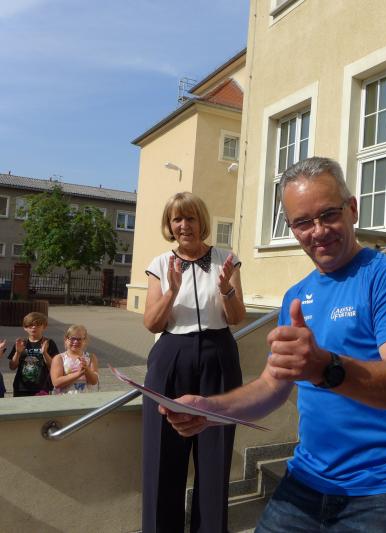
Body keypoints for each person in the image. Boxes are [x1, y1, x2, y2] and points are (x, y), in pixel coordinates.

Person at [161, 157, 386, 533]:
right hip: (307, 479)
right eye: (303, 222)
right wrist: (210, 409)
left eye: (329, 215)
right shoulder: (297, 296)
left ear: (352, 210)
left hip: (384, 488)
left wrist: (326, 367)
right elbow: (272, 387)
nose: (318, 231)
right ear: (291, 227)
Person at [141, 191, 246, 533]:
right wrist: (171, 290)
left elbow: (236, 318)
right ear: (169, 225)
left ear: (202, 221)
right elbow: (152, 323)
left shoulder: (226, 259)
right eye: (177, 219)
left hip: (219, 355)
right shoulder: (160, 263)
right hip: (172, 355)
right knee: (163, 454)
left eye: (190, 218)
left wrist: (226, 289)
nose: (184, 225)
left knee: (215, 453)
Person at [7, 312, 59, 397]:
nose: (34, 327)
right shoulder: (21, 343)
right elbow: (12, 366)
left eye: (38, 325)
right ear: (25, 328)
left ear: (44, 327)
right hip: (21, 388)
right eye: (30, 325)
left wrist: (45, 353)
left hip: (42, 387)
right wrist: (18, 352)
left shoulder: (49, 343)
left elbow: (53, 367)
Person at [50, 324, 99, 394]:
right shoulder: (59, 358)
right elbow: (56, 383)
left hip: (86, 398)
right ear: (66, 339)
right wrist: (79, 374)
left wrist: (86, 370)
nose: (75, 342)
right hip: (65, 398)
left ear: (85, 340)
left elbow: (94, 381)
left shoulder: (91, 357)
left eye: (79, 339)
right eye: (72, 338)